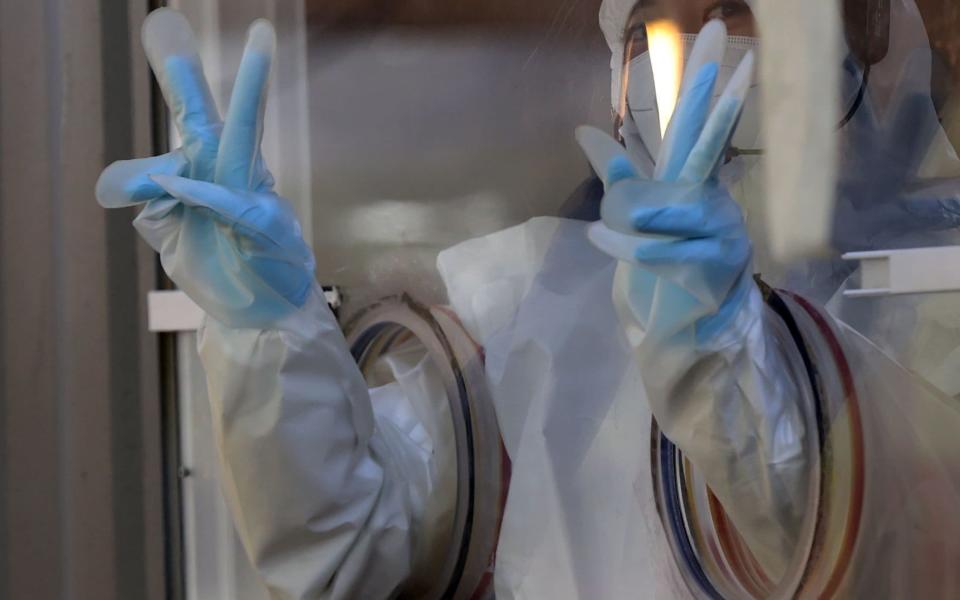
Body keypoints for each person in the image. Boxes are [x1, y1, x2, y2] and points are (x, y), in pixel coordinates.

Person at [96, 1, 960, 598]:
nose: (698, 55)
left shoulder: (928, 296)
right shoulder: (534, 304)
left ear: (869, 57)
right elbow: (345, 552)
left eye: (741, 13)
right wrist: (265, 331)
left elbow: (870, 543)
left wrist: (724, 348)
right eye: (659, 29)